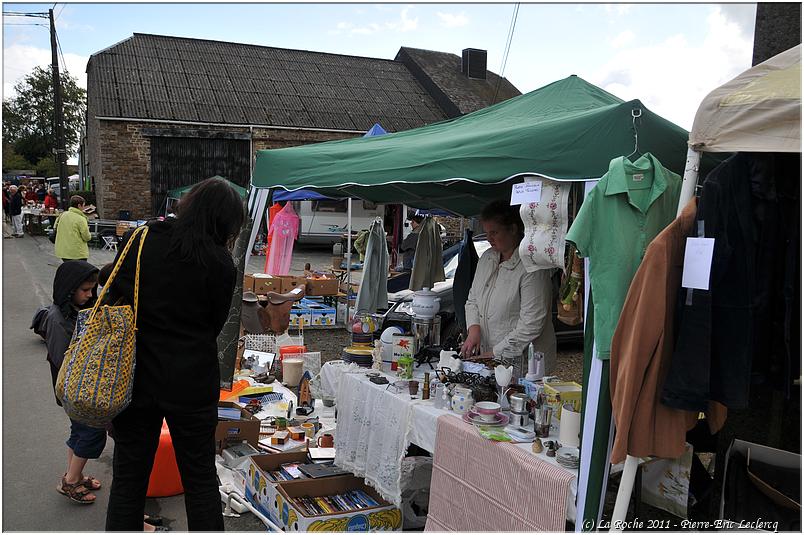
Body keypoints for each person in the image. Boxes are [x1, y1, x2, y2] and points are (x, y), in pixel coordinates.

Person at [104, 177, 244, 531]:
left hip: (136, 374)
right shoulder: (221, 263)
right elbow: (215, 325)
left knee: (129, 478)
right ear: (226, 222)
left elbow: (117, 294)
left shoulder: (143, 239)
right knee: (199, 478)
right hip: (192, 379)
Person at [461, 199, 556, 378]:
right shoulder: (487, 258)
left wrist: (497, 351)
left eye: (494, 232)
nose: (489, 238)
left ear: (513, 229)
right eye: (487, 233)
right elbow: (472, 299)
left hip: (525, 365)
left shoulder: (532, 266)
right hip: (491, 357)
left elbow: (532, 322)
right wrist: (474, 329)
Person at [38, 261, 107, 504]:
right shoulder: (57, 319)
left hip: (76, 387)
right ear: (69, 289)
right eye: (85, 290)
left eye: (91, 290)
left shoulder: (76, 310)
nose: (89, 295)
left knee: (79, 430)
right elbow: (62, 359)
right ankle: (69, 482)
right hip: (74, 388)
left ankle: (74, 474)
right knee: (92, 431)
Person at [54, 195, 92, 262]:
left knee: (68, 270)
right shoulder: (81, 219)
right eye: (83, 205)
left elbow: (55, 227)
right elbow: (86, 237)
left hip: (63, 251)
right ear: (79, 206)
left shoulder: (62, 215)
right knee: (80, 271)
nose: (84, 208)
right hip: (77, 252)